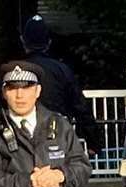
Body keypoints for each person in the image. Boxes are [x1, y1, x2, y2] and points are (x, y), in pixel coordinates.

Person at [21, 15, 101, 154]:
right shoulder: (62, 70)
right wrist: (93, 140)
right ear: (49, 42)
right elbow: (79, 106)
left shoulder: (15, 70)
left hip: (23, 135)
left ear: (23, 41)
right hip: (56, 133)